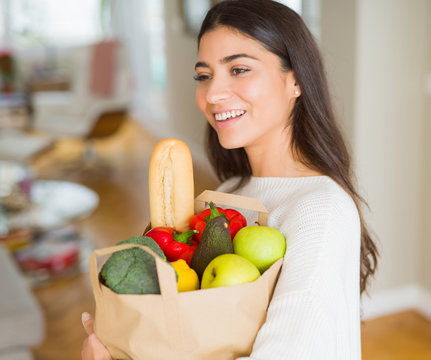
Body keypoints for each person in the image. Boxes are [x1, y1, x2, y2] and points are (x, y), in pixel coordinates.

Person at [81, 0, 378, 358]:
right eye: (204, 76)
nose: (213, 93)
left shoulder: (320, 211)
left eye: (238, 69)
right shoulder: (228, 194)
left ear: (295, 80)